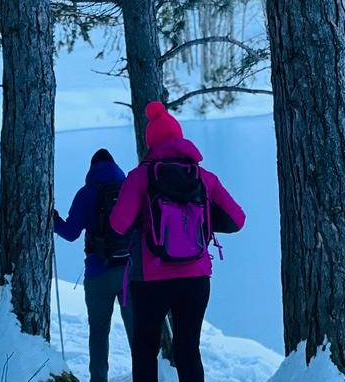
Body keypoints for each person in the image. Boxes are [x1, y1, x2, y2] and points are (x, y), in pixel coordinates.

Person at [110, 101, 246, 382]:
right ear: (180, 138)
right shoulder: (203, 177)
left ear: (151, 143)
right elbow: (237, 220)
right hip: (195, 279)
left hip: (150, 280)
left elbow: (118, 225)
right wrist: (204, 221)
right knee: (188, 350)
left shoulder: (140, 177)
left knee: (145, 349)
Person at [53, 148, 133, 382]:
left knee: (99, 331)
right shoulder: (129, 190)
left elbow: (70, 233)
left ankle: (99, 379)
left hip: (98, 274)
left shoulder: (86, 193)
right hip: (129, 272)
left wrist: (53, 219)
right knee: (136, 331)